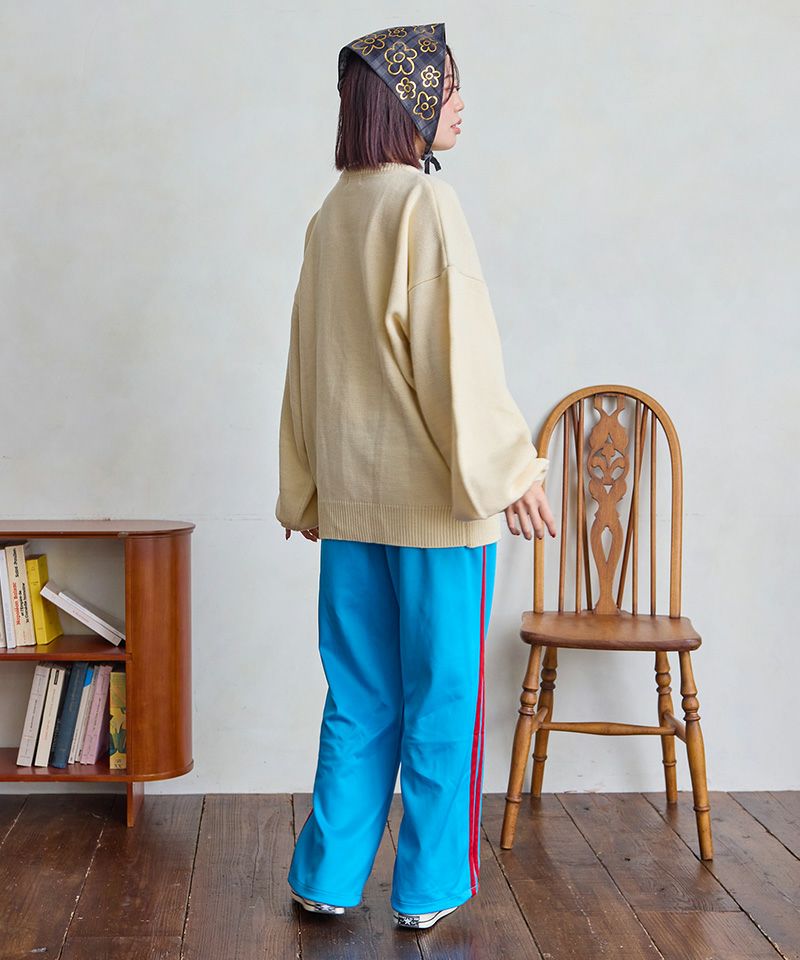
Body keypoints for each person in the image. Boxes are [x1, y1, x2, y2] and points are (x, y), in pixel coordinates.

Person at [275, 21, 557, 931]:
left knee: (359, 695)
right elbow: (457, 359)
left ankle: (325, 875)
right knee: (443, 701)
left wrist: (303, 486)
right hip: (435, 512)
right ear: (407, 101)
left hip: (352, 509)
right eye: (446, 85)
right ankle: (429, 888)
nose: (460, 102)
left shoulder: (331, 215)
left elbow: (306, 363)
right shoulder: (425, 205)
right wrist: (513, 471)